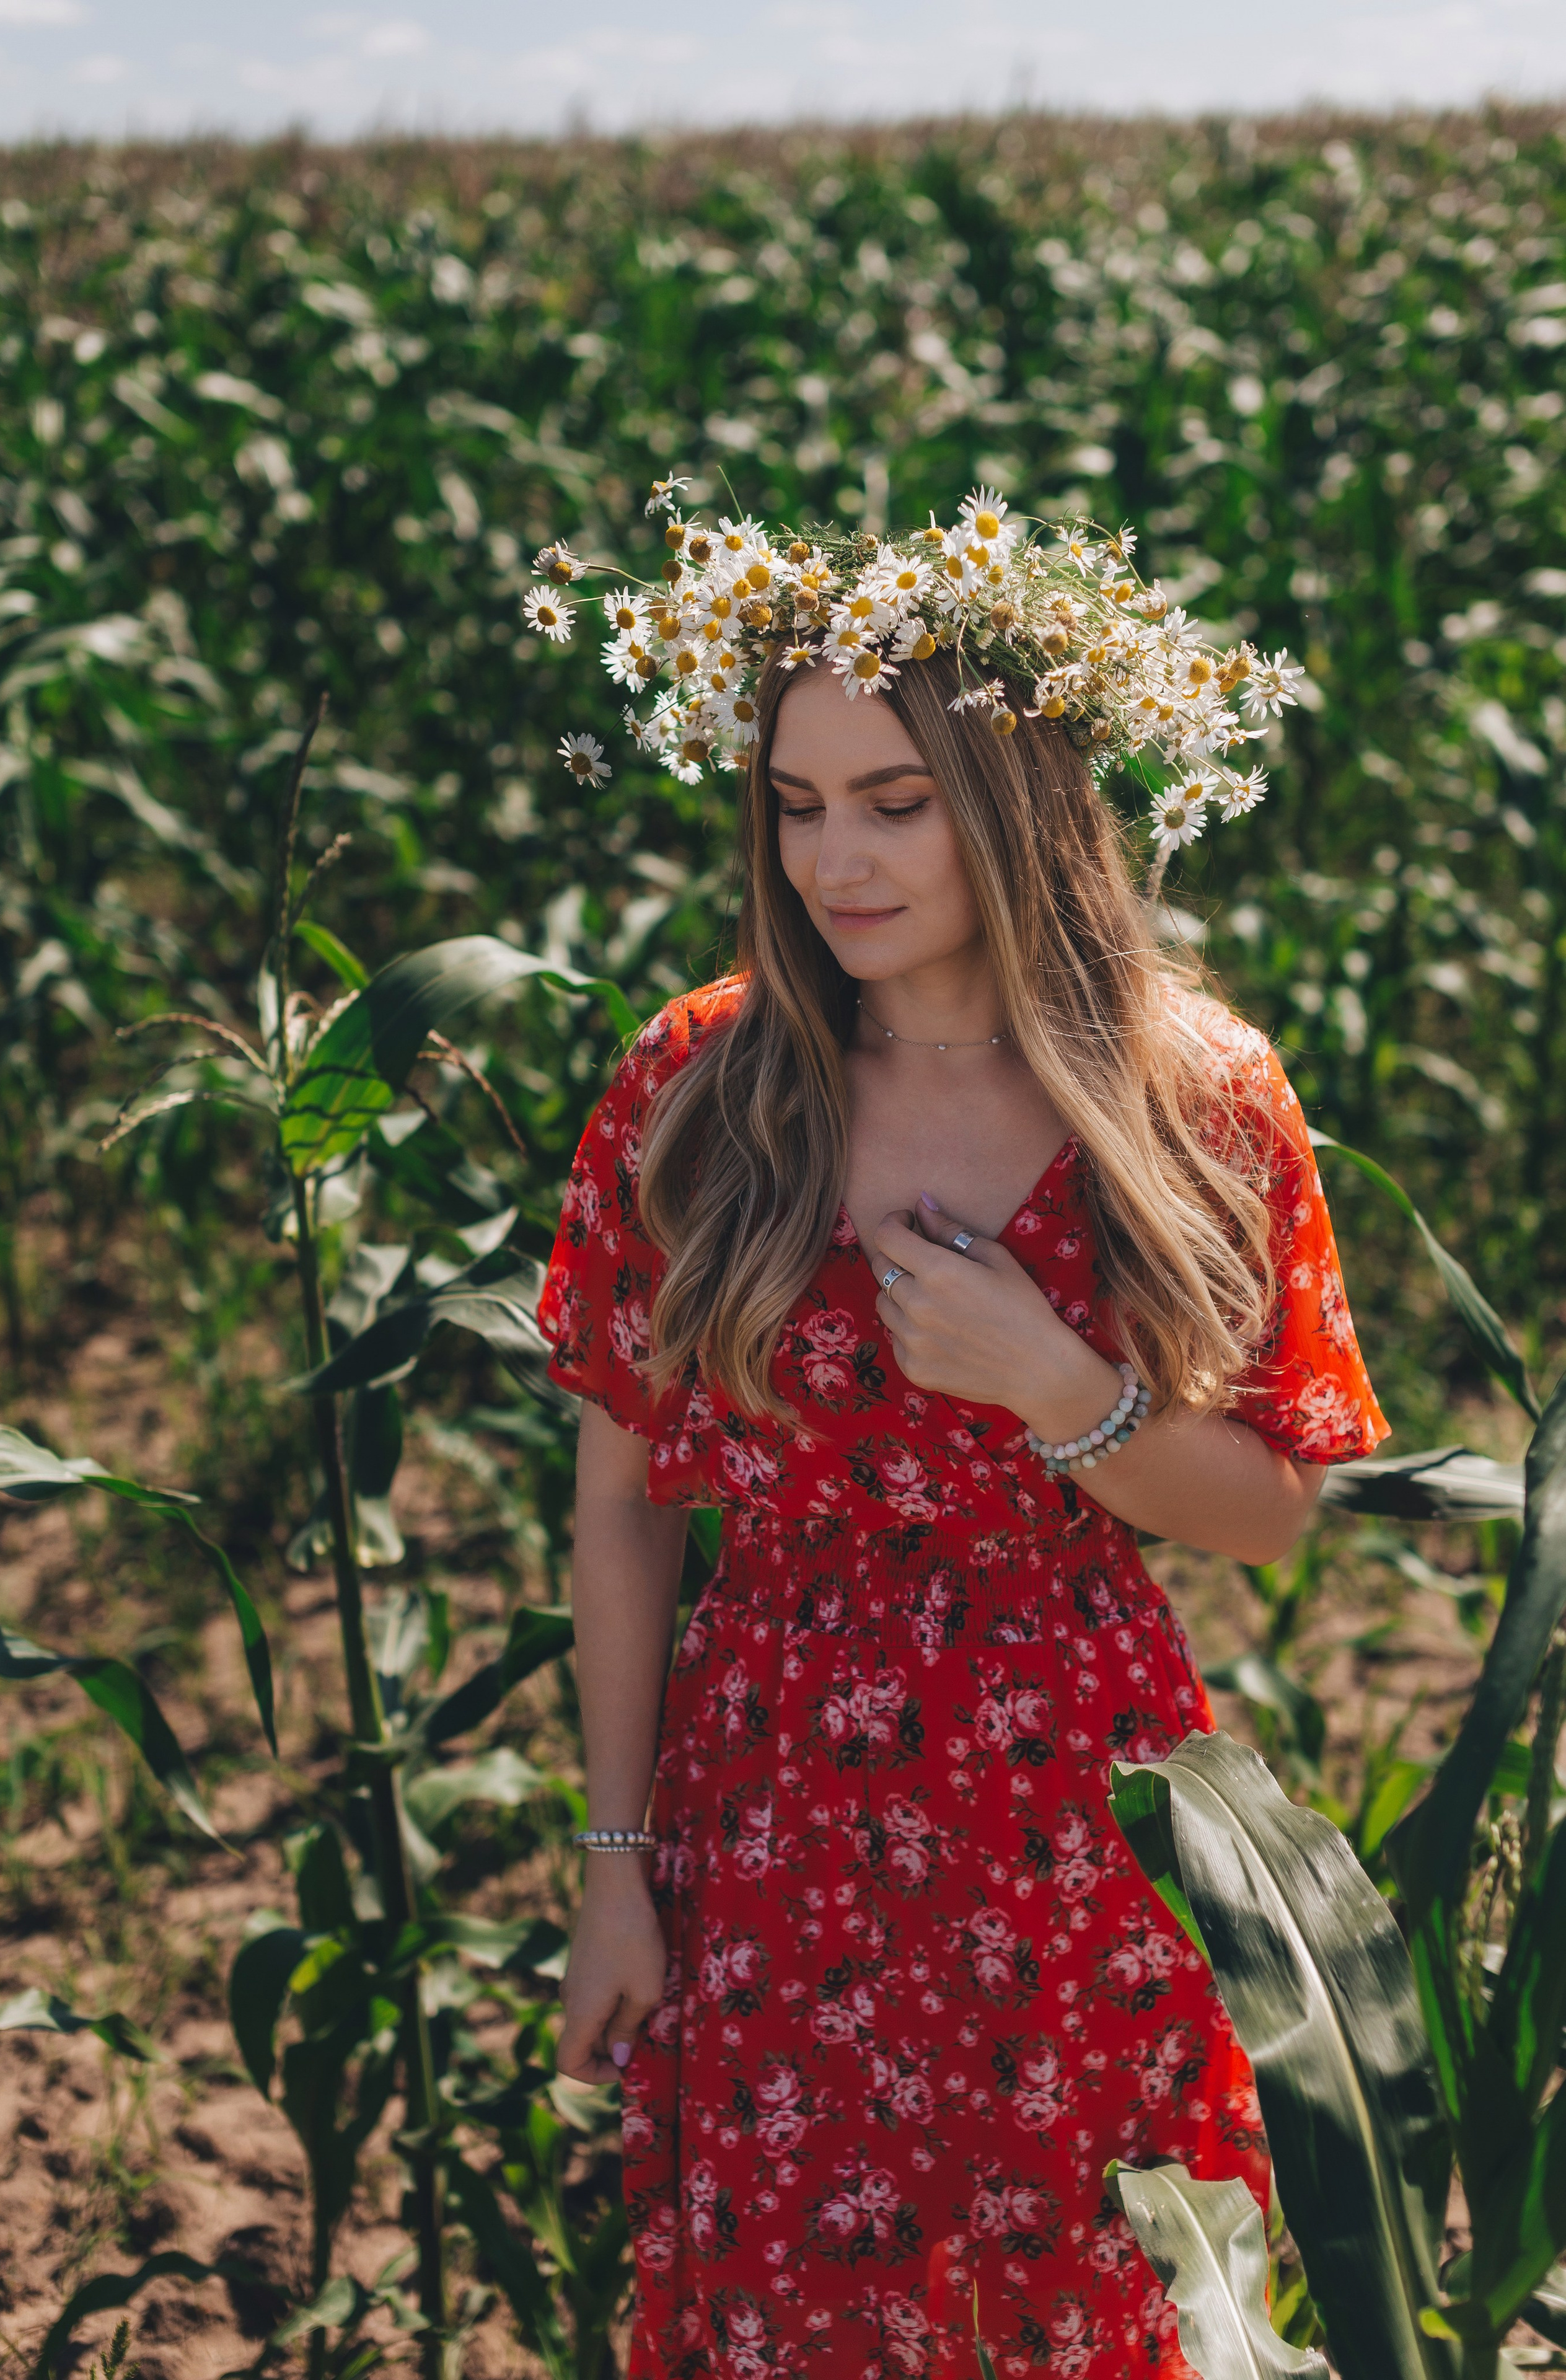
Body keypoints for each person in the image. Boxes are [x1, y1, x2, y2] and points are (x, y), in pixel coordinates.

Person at [533, 495, 1386, 2379]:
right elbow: (619, 1508)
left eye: (897, 799)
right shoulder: (701, 1082)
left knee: (1091, 2302)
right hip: (762, 1807)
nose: (836, 855)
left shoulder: (1195, 1094)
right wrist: (615, 1860)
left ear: (1015, 794)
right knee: (792, 2312)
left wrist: (1059, 1390)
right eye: (796, 800)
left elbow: (1272, 1517)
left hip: (1078, 1804)